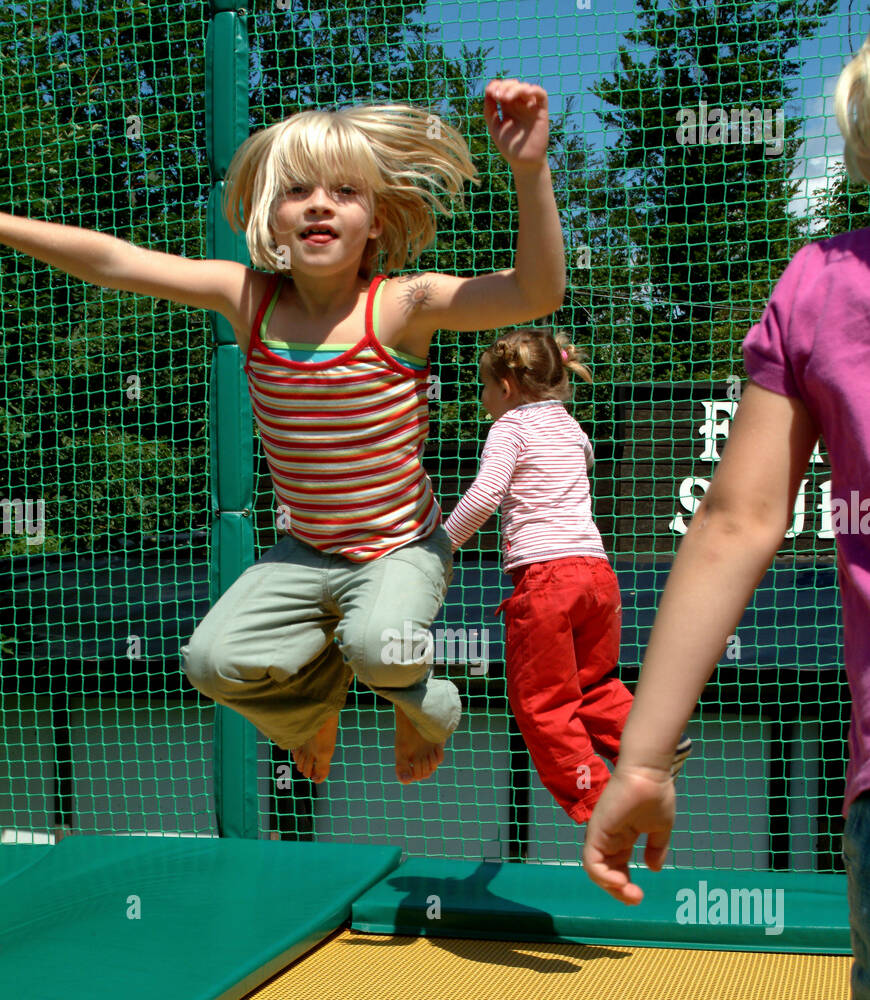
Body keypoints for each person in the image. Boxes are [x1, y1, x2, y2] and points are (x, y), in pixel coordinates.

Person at [0, 79, 565, 786]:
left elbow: (534, 294)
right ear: (273, 217)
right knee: (210, 662)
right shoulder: (247, 298)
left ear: (377, 223)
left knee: (379, 648)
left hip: (399, 549)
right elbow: (113, 262)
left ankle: (429, 704)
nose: (320, 203)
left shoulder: (401, 307)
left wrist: (530, 168)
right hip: (302, 551)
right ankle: (314, 710)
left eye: (344, 193)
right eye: (298, 191)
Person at [581, 32, 870, 1000]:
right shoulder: (819, 289)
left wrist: (646, 753)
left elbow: (741, 520)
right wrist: (641, 747)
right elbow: (738, 521)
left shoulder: (821, 285)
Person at [443, 329, 691, 826]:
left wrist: (441, 546)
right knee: (594, 683)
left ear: (508, 386)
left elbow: (485, 496)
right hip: (598, 577)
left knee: (541, 703)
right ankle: (652, 745)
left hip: (547, 580)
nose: (483, 399)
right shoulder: (573, 430)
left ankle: (599, 801)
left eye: (484, 388)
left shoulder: (509, 428)